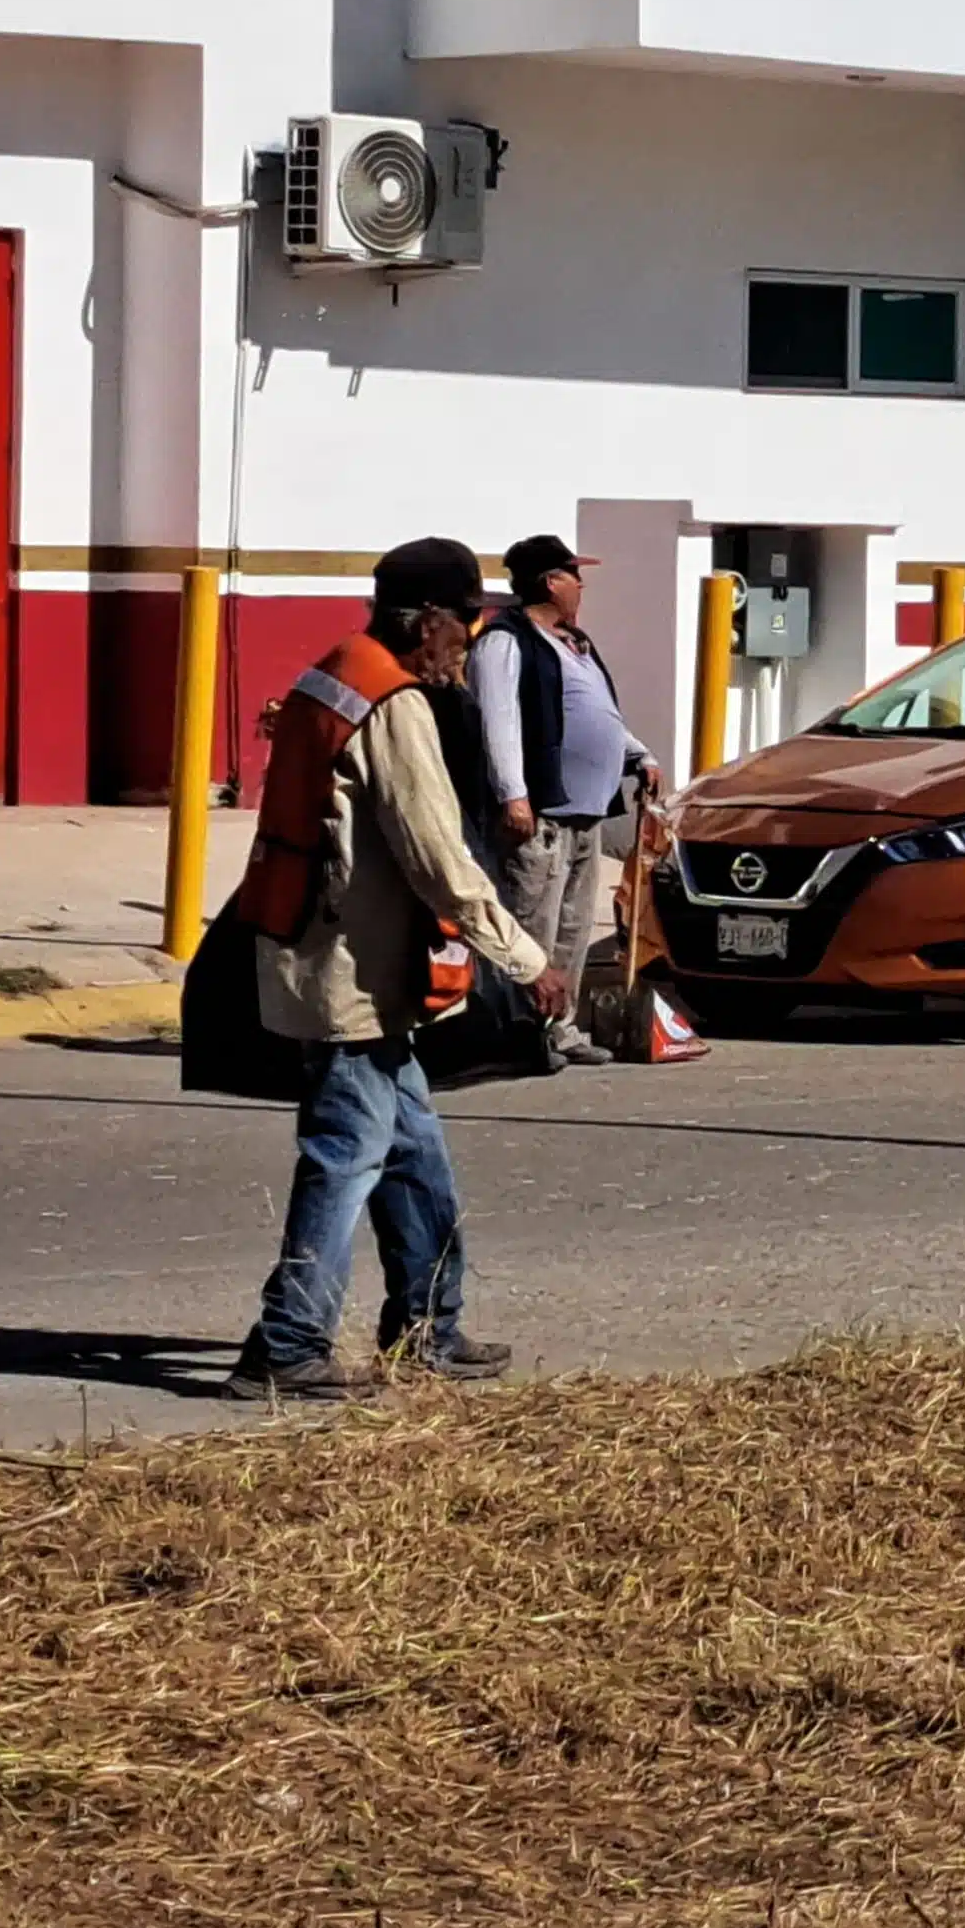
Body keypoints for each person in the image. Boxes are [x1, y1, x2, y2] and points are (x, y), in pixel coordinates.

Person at [231, 538, 563, 1398]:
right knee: (346, 1157)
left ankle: (427, 1329)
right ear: (428, 622)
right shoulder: (390, 702)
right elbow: (435, 857)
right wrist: (525, 959)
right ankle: (287, 1345)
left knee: (413, 1157)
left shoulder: (338, 671)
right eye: (468, 621)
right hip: (350, 977)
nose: (473, 639)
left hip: (347, 967)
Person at [472, 534, 659, 1062]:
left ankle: (561, 1028)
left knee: (573, 927)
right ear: (551, 582)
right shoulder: (505, 642)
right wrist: (514, 794)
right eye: (574, 575)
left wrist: (638, 755)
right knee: (533, 925)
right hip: (542, 814)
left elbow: (597, 713)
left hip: (586, 812)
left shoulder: (574, 641)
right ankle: (520, 1030)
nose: (581, 585)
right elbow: (499, 722)